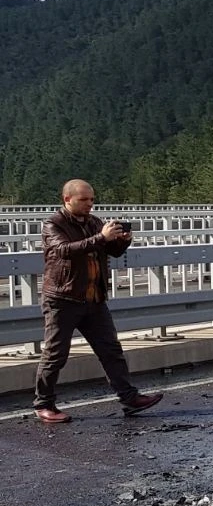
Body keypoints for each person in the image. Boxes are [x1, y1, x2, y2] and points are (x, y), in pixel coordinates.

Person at [33, 179, 163, 423]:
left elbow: (110, 251)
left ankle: (129, 398)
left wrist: (121, 240)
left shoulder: (94, 222)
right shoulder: (53, 224)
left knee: (111, 350)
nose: (89, 204)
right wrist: (102, 238)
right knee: (55, 354)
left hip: (94, 298)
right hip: (63, 299)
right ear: (67, 200)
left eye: (92, 199)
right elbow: (64, 250)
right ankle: (44, 404)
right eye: (84, 200)